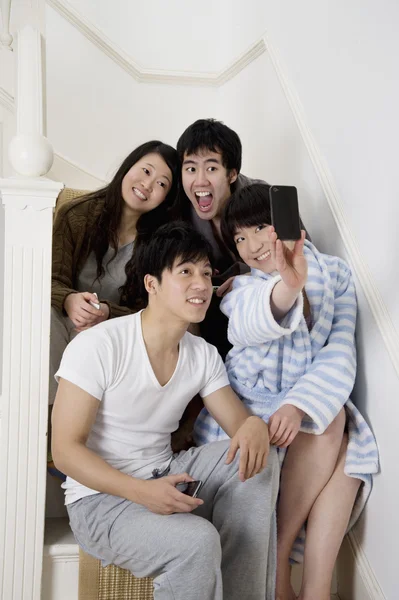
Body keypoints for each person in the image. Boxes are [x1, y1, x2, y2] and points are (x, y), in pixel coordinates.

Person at [51, 222, 279, 600]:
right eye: (186, 271)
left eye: (206, 273)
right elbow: (65, 450)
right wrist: (140, 492)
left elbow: (240, 428)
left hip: (166, 473)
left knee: (260, 456)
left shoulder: (202, 355)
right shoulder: (99, 345)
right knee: (197, 541)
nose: (202, 284)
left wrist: (254, 425)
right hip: (99, 502)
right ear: (151, 284)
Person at [194, 184, 379, 600]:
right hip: (249, 408)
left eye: (260, 227)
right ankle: (282, 570)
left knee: (351, 446)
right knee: (332, 425)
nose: (252, 245)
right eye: (239, 237)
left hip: (303, 404)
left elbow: (339, 350)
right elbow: (245, 325)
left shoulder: (336, 274)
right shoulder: (241, 289)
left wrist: (298, 405)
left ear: (292, 224)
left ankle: (311, 586)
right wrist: (287, 287)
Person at [49, 140, 179, 404]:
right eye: (145, 171)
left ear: (166, 197)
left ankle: (73, 425)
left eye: (162, 183)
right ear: (128, 167)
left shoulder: (160, 241)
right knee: (45, 320)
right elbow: (48, 279)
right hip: (63, 318)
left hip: (114, 329)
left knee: (91, 342)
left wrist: (108, 312)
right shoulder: (75, 214)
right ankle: (49, 420)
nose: (148, 184)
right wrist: (69, 299)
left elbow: (153, 309)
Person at [177, 118, 307, 358]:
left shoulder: (263, 197)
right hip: (214, 308)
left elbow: (299, 254)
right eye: (191, 169)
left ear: (232, 174)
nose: (200, 180)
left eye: (212, 168)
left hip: (273, 297)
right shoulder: (179, 214)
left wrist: (247, 275)